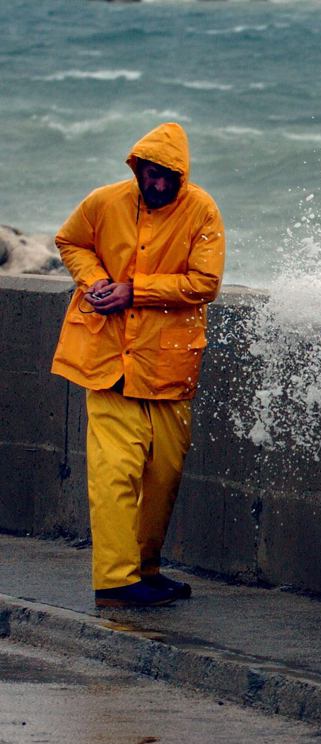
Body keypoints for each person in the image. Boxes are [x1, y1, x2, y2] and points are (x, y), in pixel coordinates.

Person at [51, 122, 225, 608]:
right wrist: (95, 281)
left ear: (181, 176)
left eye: (167, 176)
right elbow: (70, 241)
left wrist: (135, 290)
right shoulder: (105, 202)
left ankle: (143, 570)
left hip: (168, 365)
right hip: (106, 359)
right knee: (114, 472)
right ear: (137, 169)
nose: (157, 184)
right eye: (149, 174)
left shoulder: (202, 210)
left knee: (162, 476)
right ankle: (114, 580)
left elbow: (205, 282)